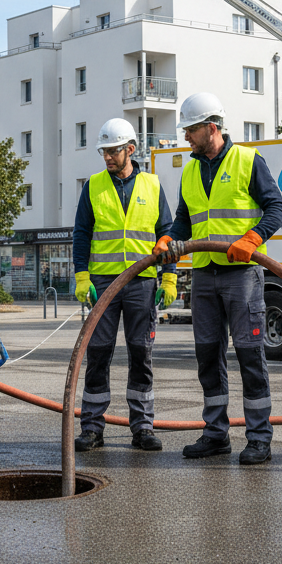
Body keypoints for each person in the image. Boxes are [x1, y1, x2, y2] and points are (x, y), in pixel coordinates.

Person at [156, 92, 282, 465]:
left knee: (250, 356)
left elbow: (277, 207)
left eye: (191, 130)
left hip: (242, 275)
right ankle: (216, 433)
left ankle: (259, 437)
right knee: (207, 357)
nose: (186, 138)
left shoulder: (248, 161)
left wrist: (252, 239)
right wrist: (169, 236)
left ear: (211, 128)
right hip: (204, 275)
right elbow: (185, 218)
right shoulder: (192, 169)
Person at [72, 118, 177, 453]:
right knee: (98, 353)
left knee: (140, 354)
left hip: (141, 283)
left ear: (130, 149)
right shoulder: (93, 186)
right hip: (103, 283)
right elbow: (81, 235)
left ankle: (142, 427)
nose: (107, 157)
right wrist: (81, 276)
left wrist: (170, 276)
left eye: (113, 151)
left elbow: (168, 234)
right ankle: (91, 427)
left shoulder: (152, 185)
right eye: (104, 151)